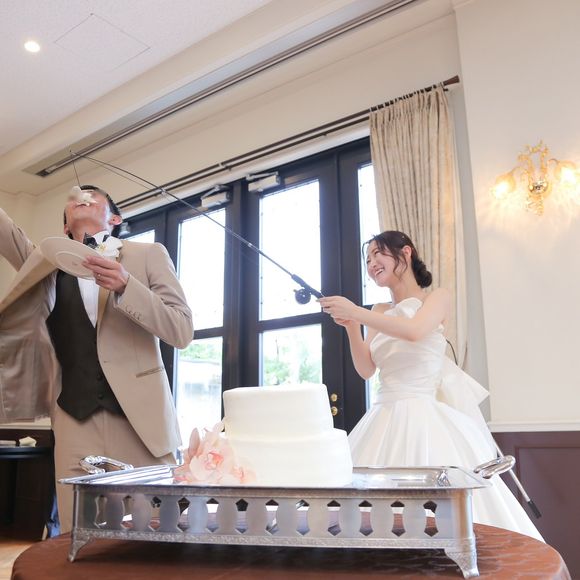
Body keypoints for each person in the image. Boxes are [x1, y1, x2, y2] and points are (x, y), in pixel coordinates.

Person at [318, 230, 543, 541]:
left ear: (406, 252)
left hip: (424, 413)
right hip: (381, 415)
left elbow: (414, 331)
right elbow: (367, 370)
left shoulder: (436, 298)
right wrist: (352, 326)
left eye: (378, 254)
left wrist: (355, 311)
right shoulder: (378, 311)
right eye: (367, 259)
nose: (371, 264)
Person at [0, 185, 193, 532]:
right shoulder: (43, 265)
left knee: (152, 533)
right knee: (78, 534)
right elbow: (6, 232)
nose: (82, 197)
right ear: (65, 226)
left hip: (141, 422)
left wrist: (127, 285)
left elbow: (181, 330)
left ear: (115, 219)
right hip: (74, 418)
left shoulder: (149, 254)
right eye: (73, 198)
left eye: (93, 194)